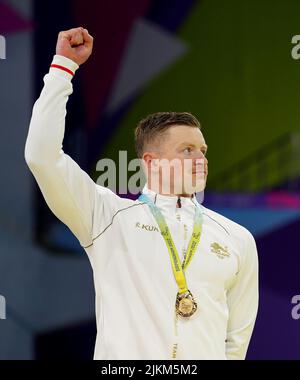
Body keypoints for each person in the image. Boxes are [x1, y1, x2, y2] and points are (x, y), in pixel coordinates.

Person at [25, 27, 259, 360]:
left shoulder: (238, 239)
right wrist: (63, 68)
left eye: (203, 150)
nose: (201, 160)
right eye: (187, 150)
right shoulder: (105, 217)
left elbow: (235, 345)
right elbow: (41, 155)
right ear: (151, 161)